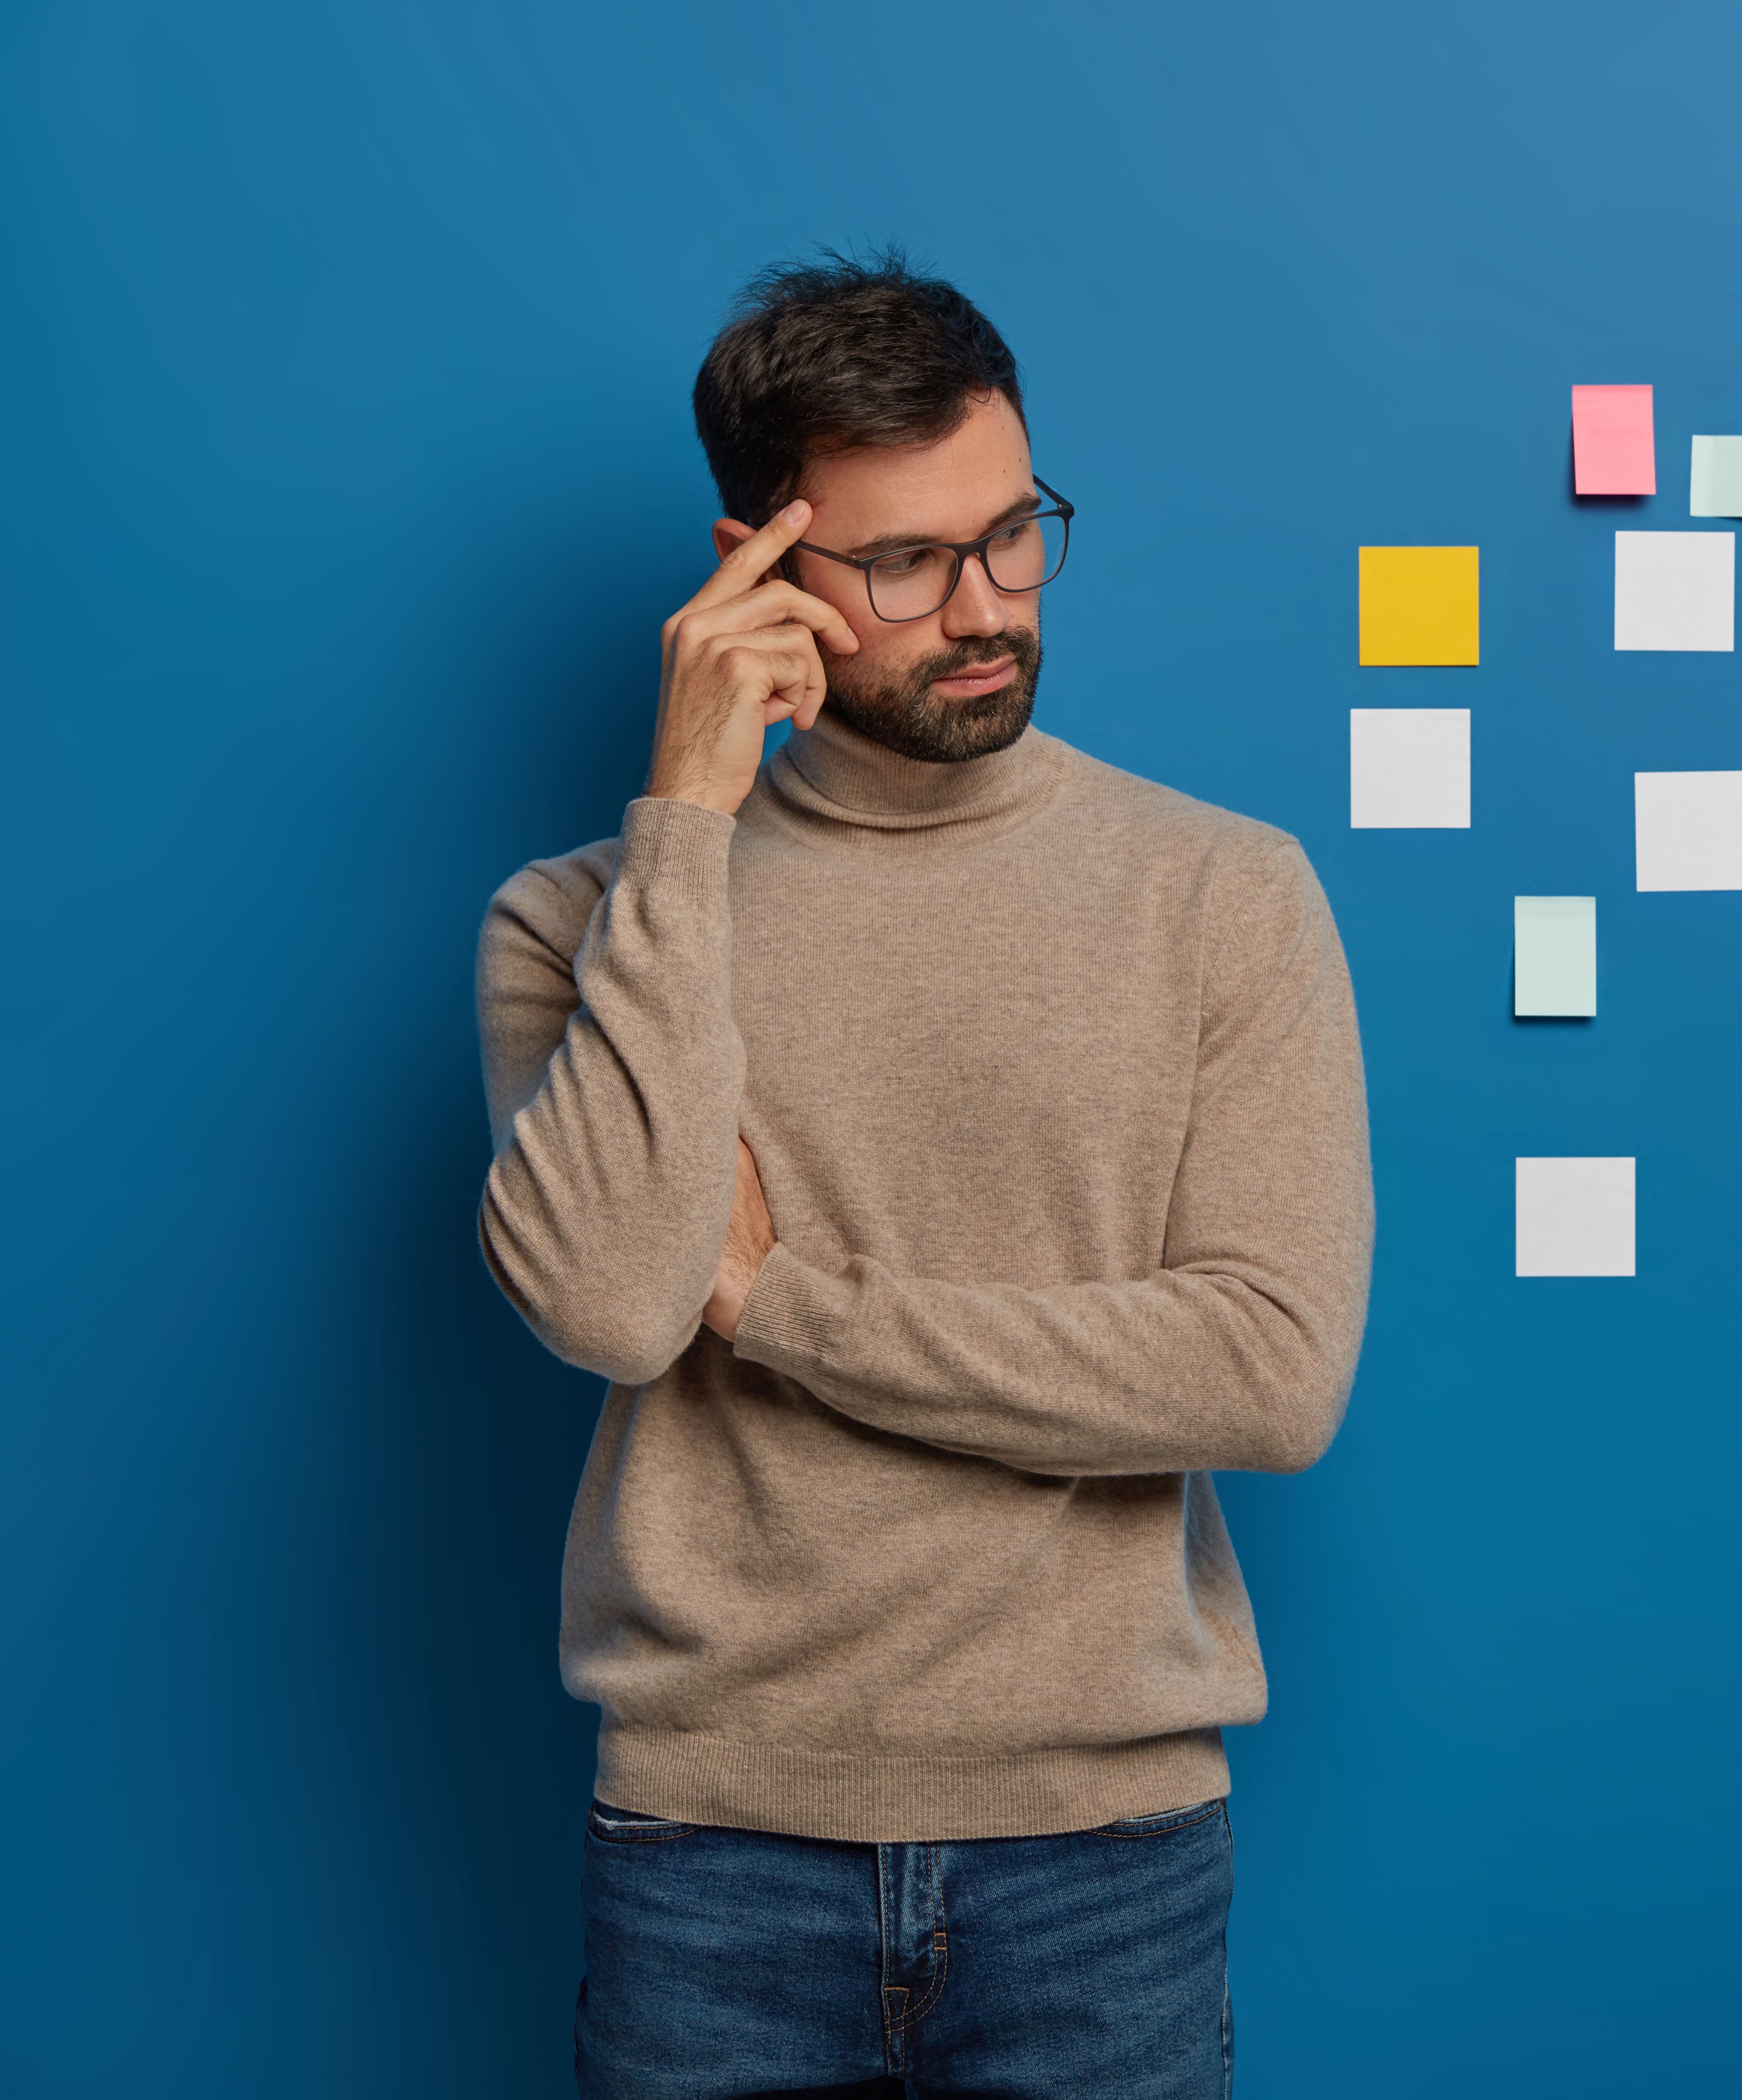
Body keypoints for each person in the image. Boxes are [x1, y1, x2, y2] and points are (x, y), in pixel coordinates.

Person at [474, 251, 1373, 2099]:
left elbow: (1269, 1377)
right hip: (708, 1855)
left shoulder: (1224, 895)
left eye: (1012, 532)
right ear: (751, 571)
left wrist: (776, 1301)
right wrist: (685, 827)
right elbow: (613, 1300)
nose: (983, 611)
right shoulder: (578, 922)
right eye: (901, 563)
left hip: (1103, 1858)